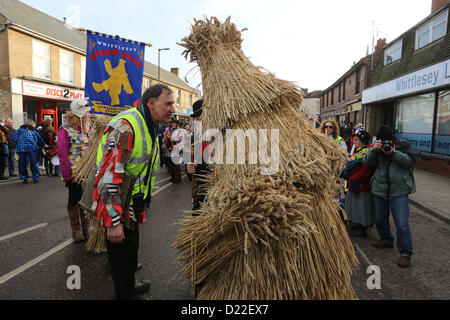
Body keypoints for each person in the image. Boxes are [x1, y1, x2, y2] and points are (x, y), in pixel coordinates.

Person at [93, 84, 175, 300]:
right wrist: (113, 222)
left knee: (131, 252)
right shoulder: (125, 127)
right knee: (121, 257)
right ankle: (124, 293)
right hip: (118, 204)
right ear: (151, 103)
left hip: (131, 202)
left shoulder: (151, 125)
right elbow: (108, 177)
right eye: (168, 104)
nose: (172, 109)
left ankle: (128, 287)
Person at [363, 125, 416, 268]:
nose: (386, 143)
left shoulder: (402, 145)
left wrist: (393, 153)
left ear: (393, 139)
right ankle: (386, 239)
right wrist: (374, 150)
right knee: (380, 219)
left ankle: (405, 254)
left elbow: (410, 161)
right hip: (380, 188)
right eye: (382, 140)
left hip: (399, 190)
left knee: (402, 224)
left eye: (388, 140)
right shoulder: (376, 147)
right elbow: (366, 162)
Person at [58, 102, 91, 242]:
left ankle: (86, 228)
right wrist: (67, 175)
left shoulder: (85, 130)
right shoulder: (65, 130)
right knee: (74, 198)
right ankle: (76, 231)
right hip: (74, 173)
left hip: (86, 173)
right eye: (86, 113)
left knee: (84, 200)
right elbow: (63, 154)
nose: (88, 115)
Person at [342, 130, 375, 237]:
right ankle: (356, 223)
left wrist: (355, 179)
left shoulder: (367, 152)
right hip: (354, 181)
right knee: (355, 206)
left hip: (361, 184)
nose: (354, 141)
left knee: (362, 207)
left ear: (362, 141)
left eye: (356, 139)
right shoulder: (358, 150)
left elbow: (366, 170)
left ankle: (362, 227)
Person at [162, 119, 182, 183]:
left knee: (176, 165)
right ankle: (172, 177)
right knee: (170, 165)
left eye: (175, 123)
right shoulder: (168, 130)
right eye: (172, 123)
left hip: (176, 149)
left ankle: (177, 179)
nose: (174, 124)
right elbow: (164, 139)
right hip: (169, 150)